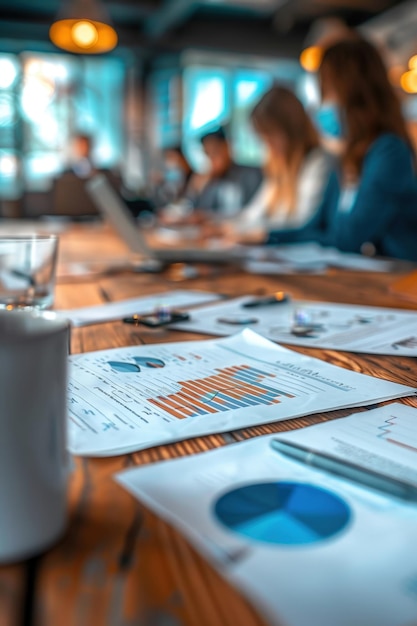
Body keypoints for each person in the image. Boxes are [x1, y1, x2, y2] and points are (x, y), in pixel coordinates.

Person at [266, 38, 417, 262]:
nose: (322, 104)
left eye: (327, 92)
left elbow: (349, 238)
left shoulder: (389, 152)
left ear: (356, 95)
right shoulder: (348, 157)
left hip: (395, 285)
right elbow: (318, 225)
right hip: (360, 280)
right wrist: (265, 237)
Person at [222, 86, 334, 243]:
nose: (268, 144)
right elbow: (253, 214)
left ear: (291, 129)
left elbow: (301, 224)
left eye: (270, 135)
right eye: (263, 136)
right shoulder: (278, 167)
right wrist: (220, 225)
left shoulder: (318, 162)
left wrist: (259, 234)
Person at [194, 127, 262, 215]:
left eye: (215, 152)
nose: (212, 159)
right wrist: (197, 190)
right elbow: (202, 213)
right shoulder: (214, 181)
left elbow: (253, 213)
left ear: (227, 146)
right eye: (208, 154)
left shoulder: (251, 174)